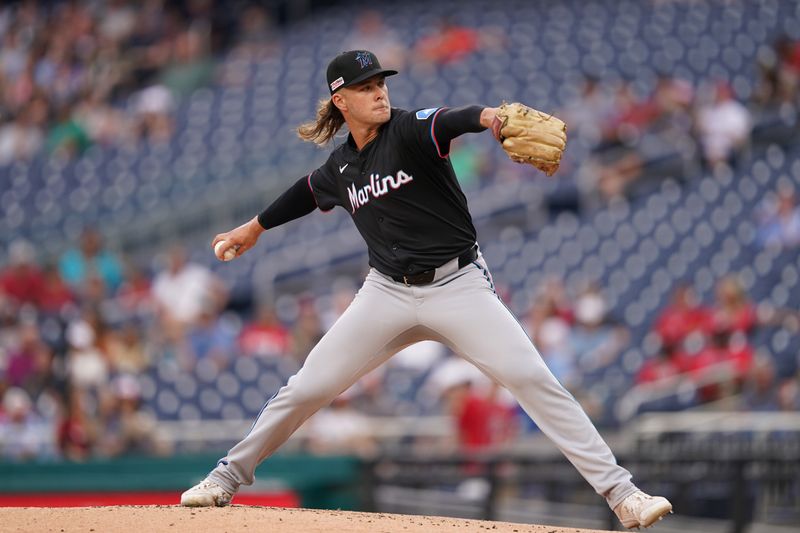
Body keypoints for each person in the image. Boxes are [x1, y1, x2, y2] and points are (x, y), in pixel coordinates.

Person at [180, 50, 672, 529]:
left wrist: (491, 119)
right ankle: (226, 477)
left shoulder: (411, 128)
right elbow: (306, 192)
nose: (378, 93)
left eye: (380, 83)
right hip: (386, 293)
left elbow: (455, 119)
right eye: (365, 87)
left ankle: (622, 494)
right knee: (308, 386)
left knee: (531, 378)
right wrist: (254, 227)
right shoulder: (341, 169)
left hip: (458, 285)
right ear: (341, 102)